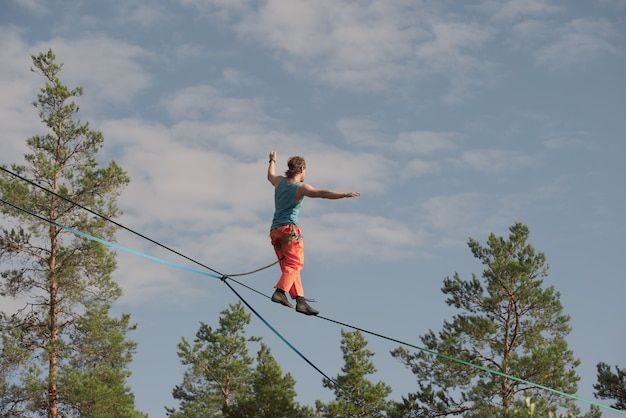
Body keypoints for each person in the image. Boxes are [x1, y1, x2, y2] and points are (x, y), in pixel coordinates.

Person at [267, 151, 361, 315]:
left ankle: (300, 301)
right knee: (295, 265)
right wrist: (344, 194)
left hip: (275, 232)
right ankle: (280, 292)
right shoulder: (300, 188)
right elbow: (322, 194)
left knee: (290, 269)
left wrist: (272, 160)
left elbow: (270, 175)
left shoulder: (279, 182)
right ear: (302, 169)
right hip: (289, 231)